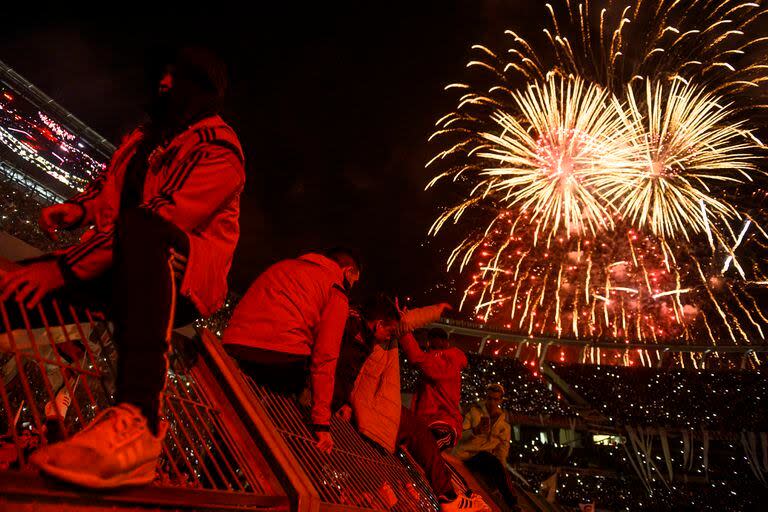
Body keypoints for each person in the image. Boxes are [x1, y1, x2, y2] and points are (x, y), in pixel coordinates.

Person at [0, 47, 245, 488]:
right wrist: (79, 209)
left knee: (143, 231)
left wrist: (61, 269)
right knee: (14, 287)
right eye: (162, 76)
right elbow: (110, 187)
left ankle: (139, 424)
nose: (164, 85)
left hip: (178, 272)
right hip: (116, 260)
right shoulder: (143, 138)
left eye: (178, 78)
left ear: (202, 90)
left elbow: (162, 216)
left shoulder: (219, 149)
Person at [332, 297, 489, 512]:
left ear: (441, 342)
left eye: (432, 343)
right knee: (411, 447)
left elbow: (415, 356)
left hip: (444, 422)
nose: (429, 347)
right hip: (426, 419)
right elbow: (407, 329)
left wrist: (418, 320)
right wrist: (432, 311)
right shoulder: (362, 329)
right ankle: (404, 487)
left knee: (428, 450)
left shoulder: (448, 359)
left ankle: (463, 495)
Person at [222, 248, 360, 453]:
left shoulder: (285, 265)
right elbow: (325, 358)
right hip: (280, 355)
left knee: (230, 414)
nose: (352, 287)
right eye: (354, 282)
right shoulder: (336, 290)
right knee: (283, 417)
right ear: (348, 272)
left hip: (235, 344)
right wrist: (322, 423)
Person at [401, 326, 468, 451]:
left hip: (440, 423)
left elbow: (416, 357)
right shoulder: (454, 359)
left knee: (423, 453)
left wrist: (403, 330)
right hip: (442, 423)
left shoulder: (438, 359)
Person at [455, 383, 519, 510]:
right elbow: (459, 435)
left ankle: (511, 502)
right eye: (489, 398)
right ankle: (512, 502)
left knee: (493, 462)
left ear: (500, 400)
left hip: (484, 460)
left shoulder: (504, 426)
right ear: (486, 397)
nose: (491, 402)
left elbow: (503, 450)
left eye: (495, 399)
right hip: (467, 456)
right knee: (488, 458)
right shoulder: (474, 412)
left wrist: (501, 468)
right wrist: (475, 431)